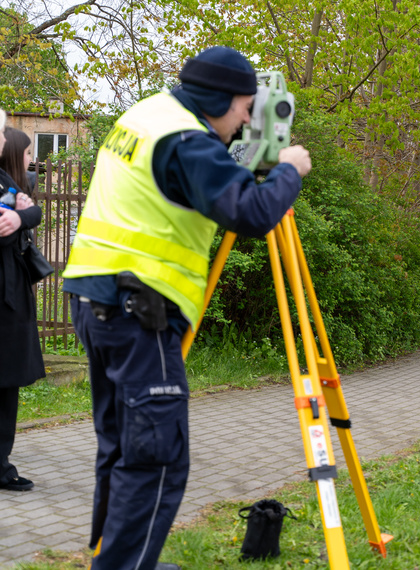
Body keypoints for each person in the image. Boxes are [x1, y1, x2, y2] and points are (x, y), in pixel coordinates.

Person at [62, 46, 311, 570]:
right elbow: (253, 212)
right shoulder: (187, 143)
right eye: (245, 108)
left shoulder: (147, 116)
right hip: (139, 313)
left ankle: (112, 559)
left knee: (121, 448)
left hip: (96, 300)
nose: (247, 121)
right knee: (156, 459)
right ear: (220, 98)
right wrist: (288, 170)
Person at [0, 119, 45, 492]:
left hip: (12, 294)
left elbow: (33, 213)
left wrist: (22, 214)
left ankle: (2, 463)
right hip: (6, 297)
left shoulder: (6, 181)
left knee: (8, 384)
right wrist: (19, 215)